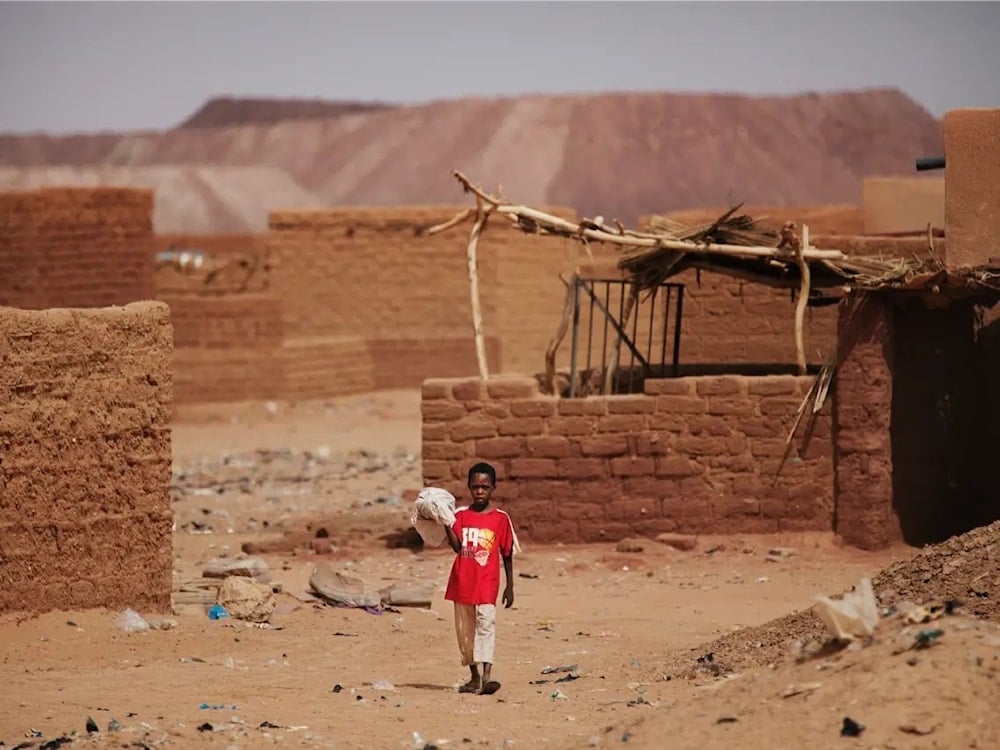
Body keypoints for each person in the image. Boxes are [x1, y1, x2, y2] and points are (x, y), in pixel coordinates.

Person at [443, 461, 516, 695]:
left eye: (485, 487)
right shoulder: (460, 516)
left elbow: (507, 553)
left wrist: (510, 586)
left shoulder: (500, 519)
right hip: (463, 581)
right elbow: (456, 547)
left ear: (493, 488)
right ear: (469, 488)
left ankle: (487, 677)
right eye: (475, 487)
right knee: (466, 631)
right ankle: (474, 677)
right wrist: (447, 525)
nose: (480, 492)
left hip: (487, 583)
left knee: (487, 625)